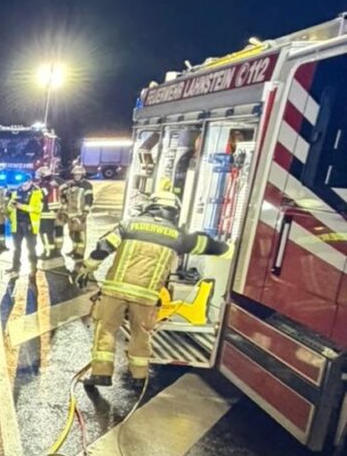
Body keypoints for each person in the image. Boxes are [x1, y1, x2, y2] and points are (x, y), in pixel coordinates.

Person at [73, 191, 229, 387]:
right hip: (147, 296)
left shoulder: (129, 225)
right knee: (141, 333)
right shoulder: (178, 236)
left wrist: (87, 269)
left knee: (106, 329)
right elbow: (207, 245)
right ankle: (139, 377)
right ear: (173, 211)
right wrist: (228, 248)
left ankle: (101, 374)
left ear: (151, 205)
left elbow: (103, 247)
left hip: (115, 290)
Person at [7, 177, 43, 276]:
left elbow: (38, 209)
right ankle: (15, 267)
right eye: (22, 184)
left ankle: (33, 268)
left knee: (31, 247)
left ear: (30, 182)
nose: (23, 186)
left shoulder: (37, 192)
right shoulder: (16, 192)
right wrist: (9, 207)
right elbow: (10, 207)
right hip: (17, 224)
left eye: (25, 184)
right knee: (16, 247)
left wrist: (21, 206)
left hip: (29, 224)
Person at [59, 165, 94, 265]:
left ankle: (80, 253)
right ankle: (74, 249)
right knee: (72, 233)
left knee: (80, 234)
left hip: (80, 214)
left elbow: (89, 199)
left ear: (82, 174)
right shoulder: (71, 185)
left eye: (79, 174)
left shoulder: (87, 185)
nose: (77, 176)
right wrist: (63, 200)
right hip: (70, 214)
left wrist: (85, 212)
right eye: (75, 175)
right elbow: (65, 194)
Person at [35, 166, 62, 259]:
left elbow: (42, 195)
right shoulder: (53, 183)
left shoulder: (45, 185)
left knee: (45, 233)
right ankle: (50, 251)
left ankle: (48, 252)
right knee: (49, 233)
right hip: (51, 212)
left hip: (45, 212)